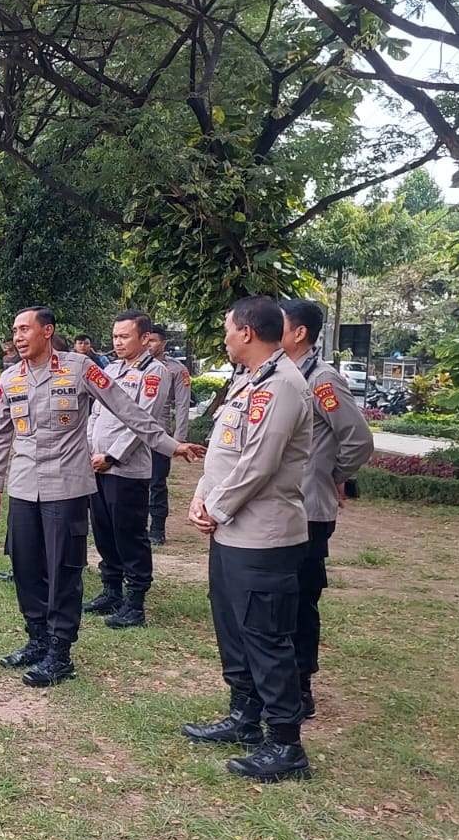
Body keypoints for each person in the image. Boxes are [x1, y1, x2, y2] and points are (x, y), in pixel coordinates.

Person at [0, 307, 203, 687]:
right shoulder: (10, 377)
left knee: (63, 570)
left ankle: (59, 651)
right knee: (26, 566)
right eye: (15, 330)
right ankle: (36, 639)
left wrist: (169, 445)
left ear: (47, 331)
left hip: (65, 486)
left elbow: (129, 410)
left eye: (25, 329)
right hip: (23, 486)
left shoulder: (80, 368)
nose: (18, 337)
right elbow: (0, 434)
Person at [182, 296, 315, 783]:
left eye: (227, 328)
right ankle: (244, 716)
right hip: (234, 531)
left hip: (264, 534)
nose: (224, 336)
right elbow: (223, 454)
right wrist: (201, 497)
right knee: (234, 627)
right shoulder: (248, 382)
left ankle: (285, 744)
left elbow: (259, 463)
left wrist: (215, 508)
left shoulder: (282, 387)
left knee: (265, 634)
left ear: (248, 333)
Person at [278, 298, 374, 720]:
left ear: (300, 333)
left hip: (310, 511)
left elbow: (357, 439)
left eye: (276, 325)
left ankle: (301, 687)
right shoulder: (279, 375)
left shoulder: (321, 380)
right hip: (282, 507)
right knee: (279, 599)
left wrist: (332, 473)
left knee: (301, 600)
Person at [84, 311, 174, 630]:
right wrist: (91, 449)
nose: (118, 342)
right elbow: (95, 411)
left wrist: (110, 455)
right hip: (97, 464)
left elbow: (143, 423)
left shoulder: (156, 373)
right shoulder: (111, 369)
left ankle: (135, 602)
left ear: (145, 339)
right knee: (104, 531)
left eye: (125, 337)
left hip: (127, 469)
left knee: (130, 535)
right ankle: (111, 589)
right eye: (115, 337)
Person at [141, 329, 192, 545]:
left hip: (160, 432)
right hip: (135, 433)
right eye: (147, 340)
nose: (149, 345)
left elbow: (182, 404)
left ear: (163, 343)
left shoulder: (176, 370)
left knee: (157, 483)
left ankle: (157, 529)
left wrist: (178, 439)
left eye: (153, 341)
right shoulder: (134, 366)